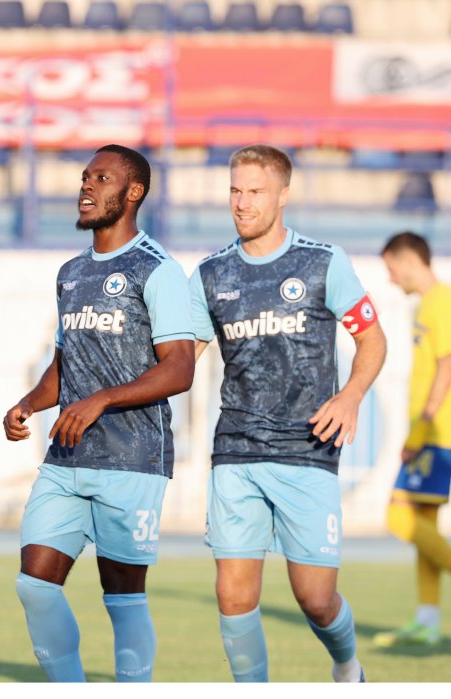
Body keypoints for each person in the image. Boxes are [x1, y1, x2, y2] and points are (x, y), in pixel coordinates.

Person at [188, 144, 387, 682]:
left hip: (308, 449)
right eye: (235, 190)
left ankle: (348, 667)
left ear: (282, 195)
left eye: (255, 191)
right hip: (236, 450)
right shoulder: (210, 274)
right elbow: (181, 359)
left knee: (316, 599)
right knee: (233, 596)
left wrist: (350, 396)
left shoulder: (323, 263)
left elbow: (372, 340)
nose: (242, 202)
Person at [3, 145, 195, 682]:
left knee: (122, 595)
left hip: (132, 459)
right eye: (86, 176)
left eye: (102, 178)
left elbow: (180, 368)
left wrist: (103, 398)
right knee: (35, 585)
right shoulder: (71, 273)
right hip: (66, 458)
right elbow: (66, 364)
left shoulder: (157, 270)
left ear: (133, 192)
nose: (87, 186)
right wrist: (28, 403)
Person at [374, 231, 451, 648]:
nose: (390, 278)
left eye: (391, 269)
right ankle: (428, 620)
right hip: (431, 430)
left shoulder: (441, 301)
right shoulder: (427, 303)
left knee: (397, 514)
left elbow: (447, 366)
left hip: (437, 432)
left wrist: (421, 429)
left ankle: (428, 619)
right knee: (424, 523)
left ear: (407, 262)